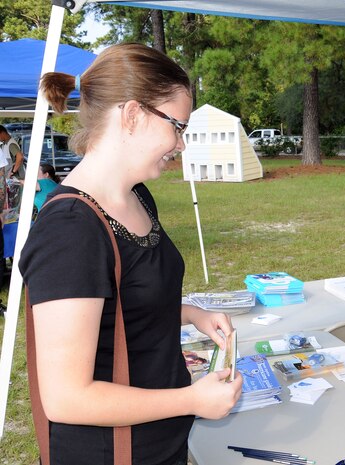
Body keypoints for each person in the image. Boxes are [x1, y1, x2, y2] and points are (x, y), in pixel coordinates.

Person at [19, 43, 243, 465]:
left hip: (162, 443)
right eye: (178, 126)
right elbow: (67, 399)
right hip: (113, 453)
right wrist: (190, 400)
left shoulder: (137, 197)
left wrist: (189, 312)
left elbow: (119, 305)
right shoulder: (70, 231)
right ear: (133, 114)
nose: (181, 144)